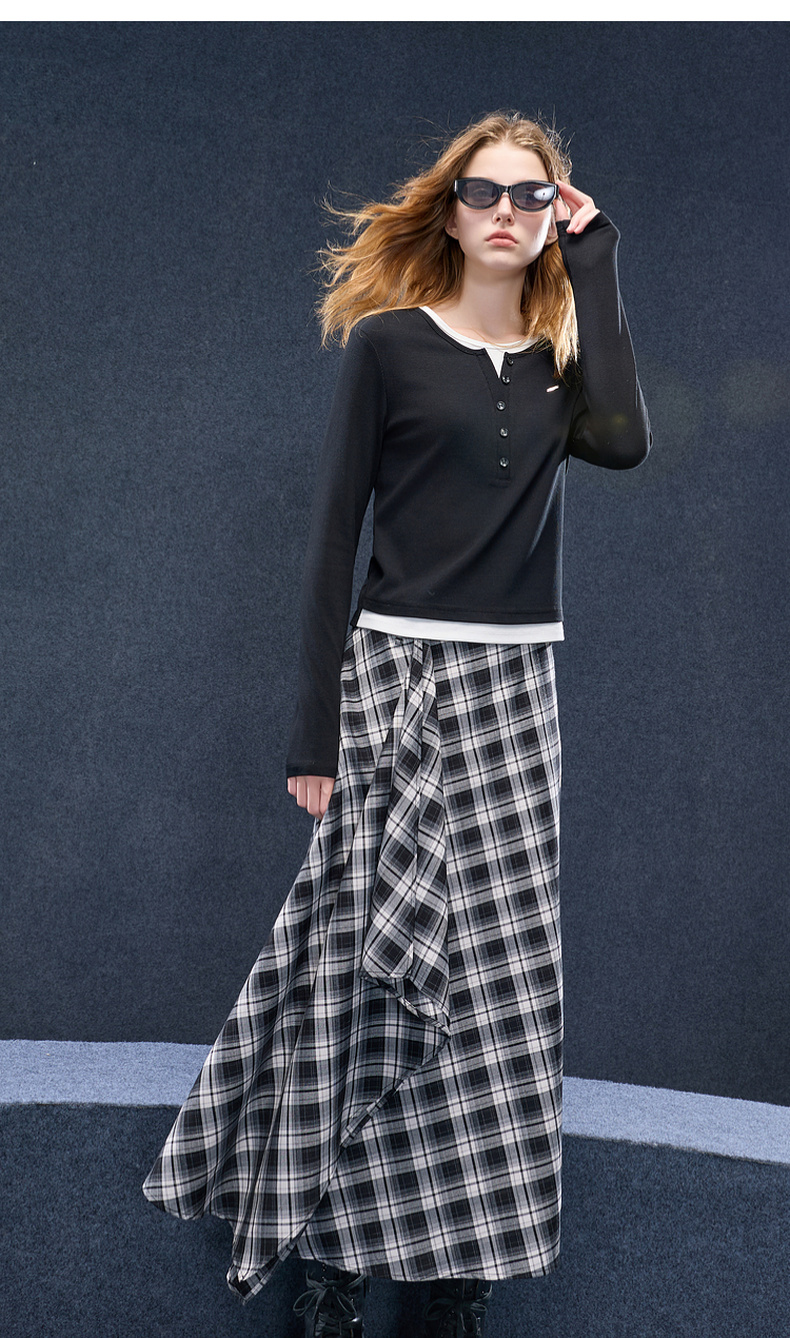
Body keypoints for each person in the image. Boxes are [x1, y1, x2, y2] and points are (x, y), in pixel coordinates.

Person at [143, 109, 651, 1338]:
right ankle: (332, 1262)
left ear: (553, 216)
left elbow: (625, 441)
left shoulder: (559, 361)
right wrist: (312, 734)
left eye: (531, 196)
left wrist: (594, 264)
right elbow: (333, 540)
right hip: (393, 679)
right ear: (450, 209)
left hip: (516, 693)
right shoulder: (386, 346)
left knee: (497, 990)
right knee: (359, 969)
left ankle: (452, 1271)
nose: (505, 213)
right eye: (484, 192)